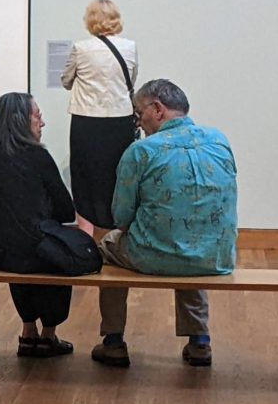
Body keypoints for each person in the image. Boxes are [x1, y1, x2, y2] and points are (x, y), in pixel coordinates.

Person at [90, 79, 237, 369]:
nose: (139, 122)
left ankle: (113, 341)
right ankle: (200, 342)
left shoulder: (141, 151)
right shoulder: (219, 139)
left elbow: (121, 216)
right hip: (215, 256)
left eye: (138, 113)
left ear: (157, 109)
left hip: (154, 254)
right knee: (190, 244)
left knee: (108, 246)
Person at [0, 93, 76, 358]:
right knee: (52, 249)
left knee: (15, 239)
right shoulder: (38, 157)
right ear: (20, 120)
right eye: (37, 115)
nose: (43, 122)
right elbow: (66, 210)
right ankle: (48, 334)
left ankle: (28, 330)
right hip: (34, 251)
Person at [61, 0, 138, 235]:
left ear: (91, 20)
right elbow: (131, 81)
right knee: (118, 173)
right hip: (120, 119)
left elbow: (66, 80)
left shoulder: (81, 48)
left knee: (84, 174)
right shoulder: (130, 47)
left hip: (87, 120)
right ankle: (118, 231)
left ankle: (86, 234)